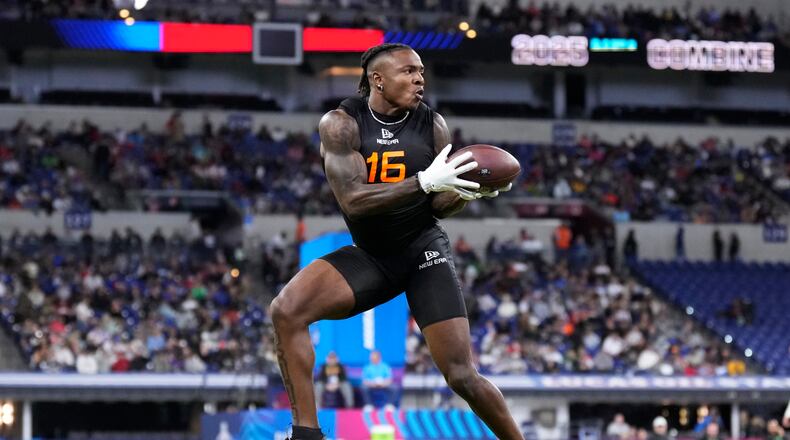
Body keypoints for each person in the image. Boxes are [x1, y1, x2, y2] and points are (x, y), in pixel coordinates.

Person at [270, 42, 521, 440]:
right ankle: (306, 434)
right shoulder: (342, 124)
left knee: (461, 375)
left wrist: (468, 192)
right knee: (286, 311)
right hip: (372, 255)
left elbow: (438, 204)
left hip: (423, 251)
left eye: (421, 71)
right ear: (378, 79)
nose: (420, 79)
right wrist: (422, 182)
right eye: (408, 71)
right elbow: (353, 202)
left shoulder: (432, 124)